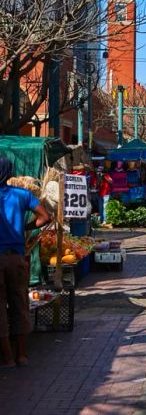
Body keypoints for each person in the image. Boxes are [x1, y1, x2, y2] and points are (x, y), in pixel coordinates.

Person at [0, 158, 51, 368]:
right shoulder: (22, 195)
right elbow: (45, 217)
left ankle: (8, 358)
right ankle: (22, 355)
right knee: (20, 305)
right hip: (18, 257)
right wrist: (26, 227)